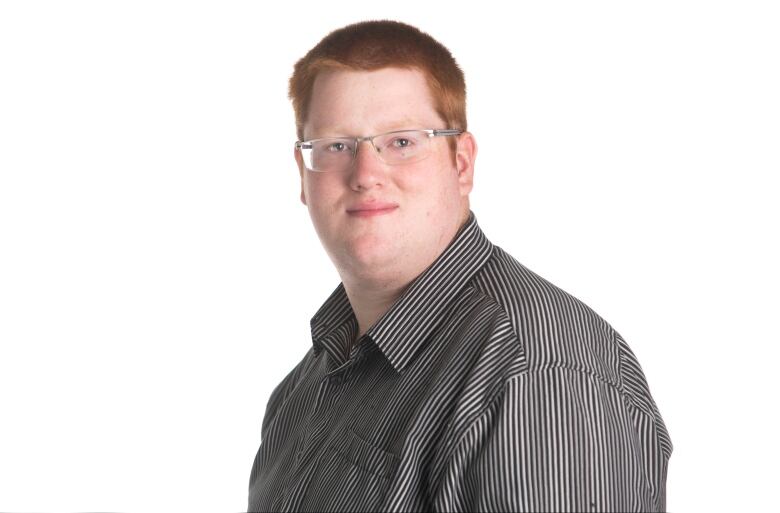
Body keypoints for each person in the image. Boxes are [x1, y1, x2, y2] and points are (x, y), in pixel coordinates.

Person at [247, 19, 672, 513]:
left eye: (402, 142)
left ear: (462, 162)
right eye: (335, 146)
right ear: (303, 175)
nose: (366, 174)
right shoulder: (309, 383)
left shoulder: (533, 373)